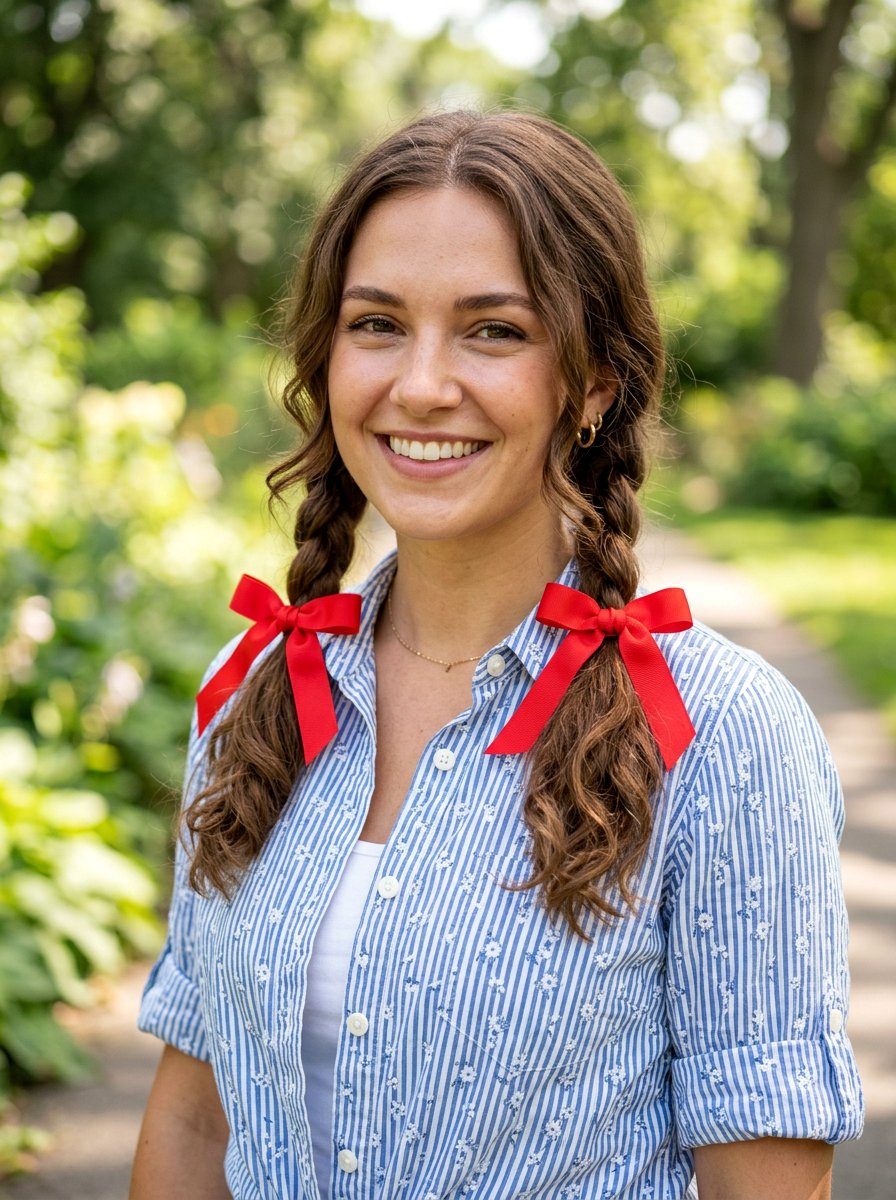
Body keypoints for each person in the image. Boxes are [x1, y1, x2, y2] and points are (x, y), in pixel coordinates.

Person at [130, 110, 863, 1200]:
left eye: (492, 331)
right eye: (376, 323)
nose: (421, 385)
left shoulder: (720, 739)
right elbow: (193, 1125)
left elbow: (762, 1181)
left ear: (594, 384)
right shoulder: (252, 694)